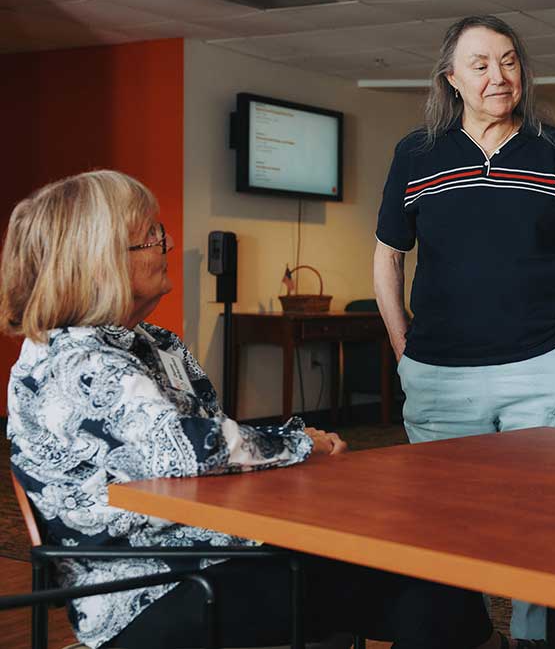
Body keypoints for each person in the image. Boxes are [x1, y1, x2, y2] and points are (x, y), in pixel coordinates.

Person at [1, 171, 497, 649]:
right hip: (153, 589)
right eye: (150, 237)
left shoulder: (150, 343)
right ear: (102, 260)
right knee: (430, 586)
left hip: (208, 551)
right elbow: (197, 448)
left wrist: (298, 441)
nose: (166, 245)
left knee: (417, 571)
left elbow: (212, 436)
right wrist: (303, 445)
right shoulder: (78, 362)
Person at [373, 14, 555, 643]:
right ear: (451, 77)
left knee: (549, 522)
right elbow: (387, 257)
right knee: (442, 524)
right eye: (480, 63)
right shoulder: (416, 153)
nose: (497, 75)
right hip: (440, 373)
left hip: (543, 367)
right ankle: (458, 634)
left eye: (508, 61)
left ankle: (537, 637)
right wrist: (406, 351)